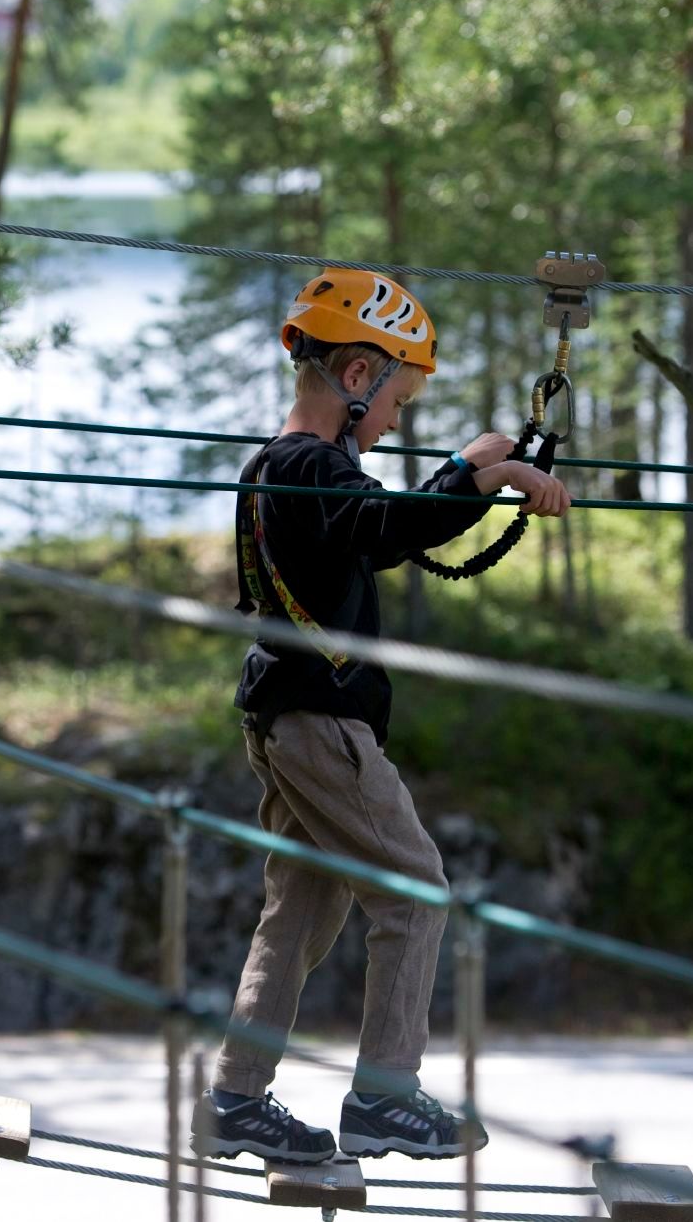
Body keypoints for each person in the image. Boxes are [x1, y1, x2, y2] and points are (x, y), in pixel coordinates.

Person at [191, 267, 571, 1159]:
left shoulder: (281, 467)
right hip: (322, 720)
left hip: (287, 715)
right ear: (358, 376)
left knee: (301, 910)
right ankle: (383, 1095)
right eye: (397, 398)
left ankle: (235, 1099)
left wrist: (470, 471)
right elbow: (391, 527)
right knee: (416, 893)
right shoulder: (309, 466)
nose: (396, 417)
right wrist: (490, 475)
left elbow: (378, 525)